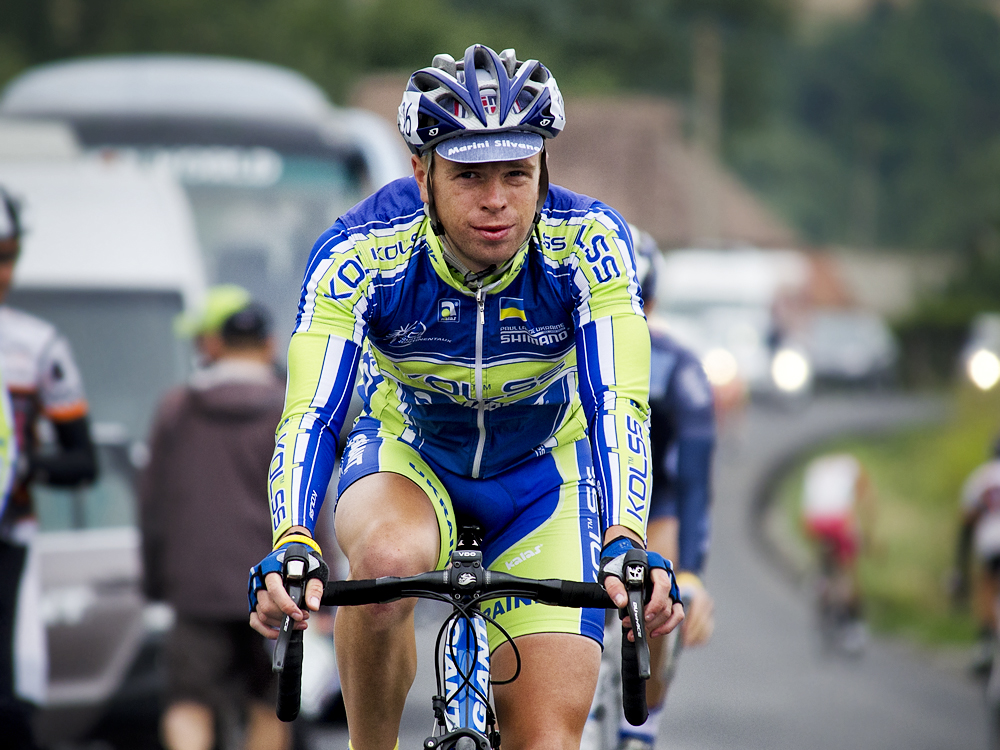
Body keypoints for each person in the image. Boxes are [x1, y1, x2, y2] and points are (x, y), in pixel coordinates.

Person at [249, 44, 684, 750]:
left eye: (517, 173)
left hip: (544, 479)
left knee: (546, 740)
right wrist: (293, 538)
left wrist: (625, 538)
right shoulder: (360, 249)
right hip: (409, 458)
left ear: (544, 169)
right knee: (386, 563)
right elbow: (312, 413)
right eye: (469, 175)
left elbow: (618, 404)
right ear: (421, 173)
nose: (496, 200)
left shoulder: (588, 242)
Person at [139, 287, 290, 750]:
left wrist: (156, 580)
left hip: (196, 586)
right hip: (273, 587)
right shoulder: (289, 409)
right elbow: (307, 495)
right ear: (269, 345)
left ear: (217, 345)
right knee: (270, 703)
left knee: (189, 701)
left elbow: (152, 502)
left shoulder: (177, 408)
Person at [608, 228, 716, 750]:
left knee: (661, 586)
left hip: (653, 501)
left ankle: (643, 724)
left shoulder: (679, 367)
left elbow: (693, 480)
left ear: (649, 305)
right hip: (574, 490)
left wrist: (690, 572)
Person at [0, 186, 98, 747]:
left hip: (9, 540)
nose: (2, 273)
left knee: (9, 707)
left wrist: (22, 464)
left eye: (8, 257)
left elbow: (83, 460)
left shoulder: (37, 346)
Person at [801, 452, 876, 653]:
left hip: (816, 522)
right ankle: (854, 627)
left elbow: (807, 509)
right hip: (840, 521)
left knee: (825, 560)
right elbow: (866, 500)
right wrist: (869, 534)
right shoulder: (851, 466)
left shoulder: (815, 467)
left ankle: (821, 583)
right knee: (848, 574)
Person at [951, 437, 1000, 675]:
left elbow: (968, 519)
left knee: (987, 589)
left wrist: (960, 565)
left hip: (991, 543)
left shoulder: (982, 477)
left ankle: (985, 644)